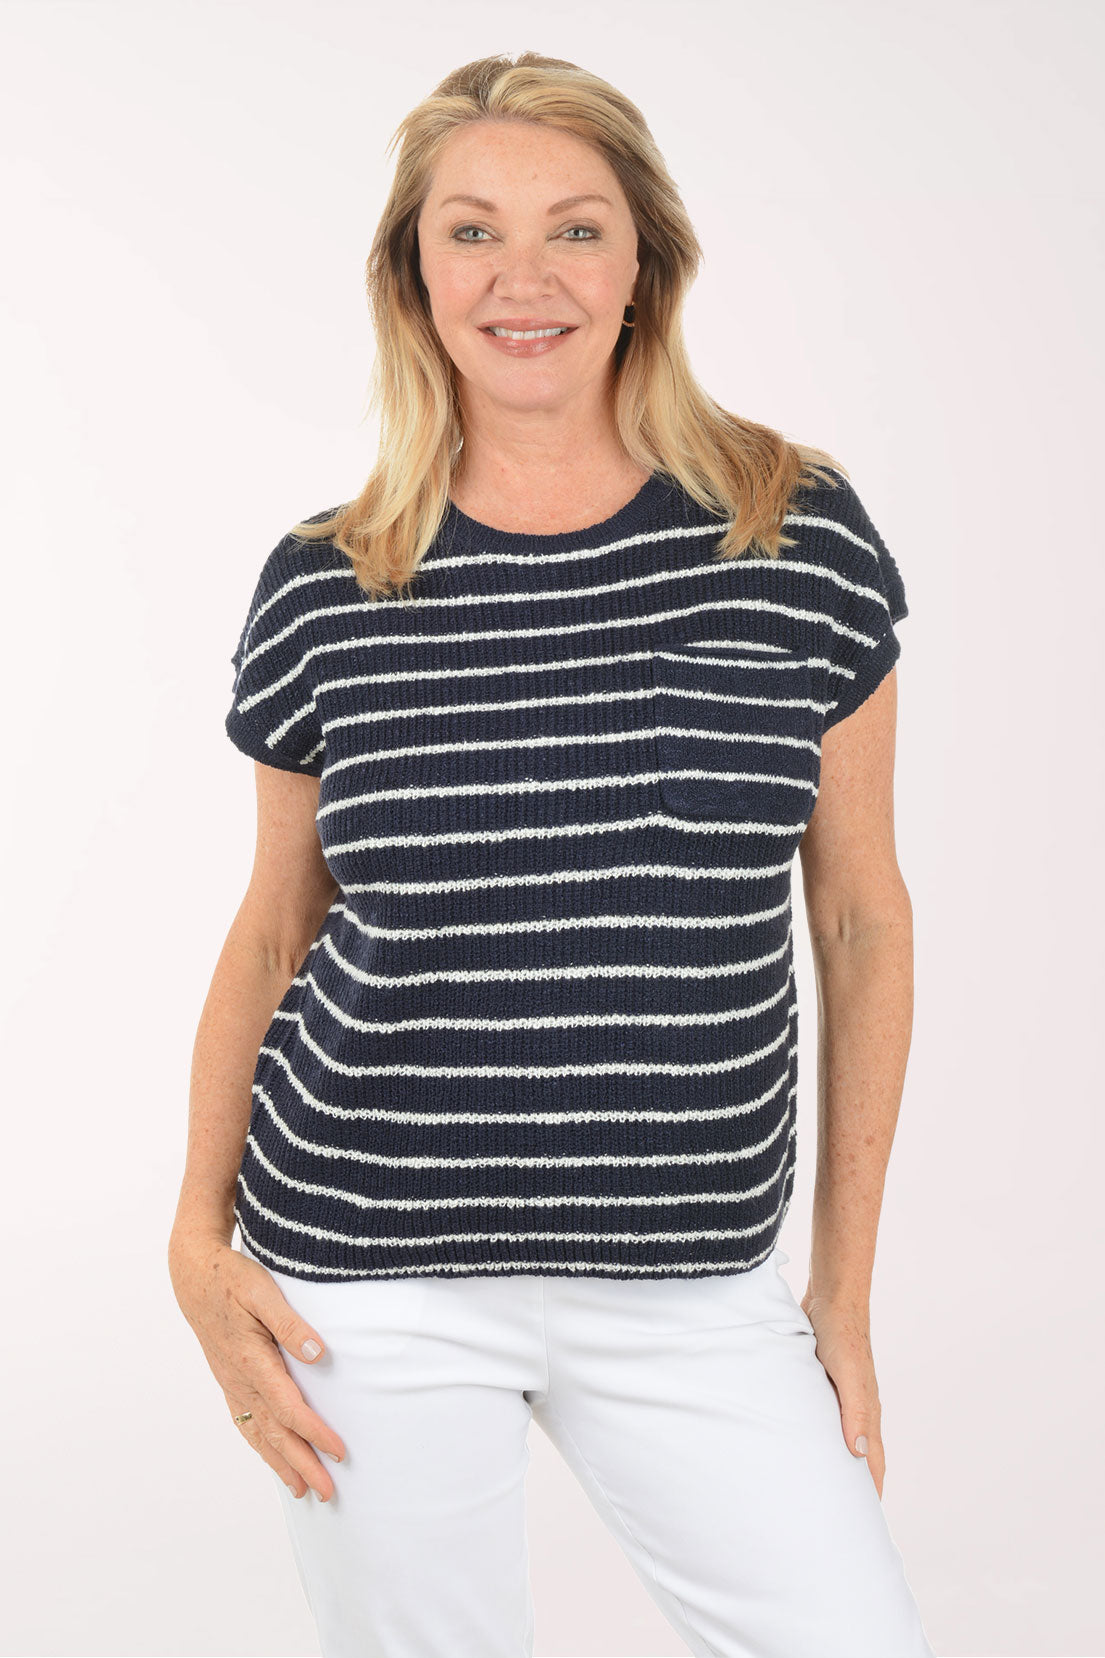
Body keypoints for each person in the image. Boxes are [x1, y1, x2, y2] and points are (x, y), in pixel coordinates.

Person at [169, 50, 936, 1658]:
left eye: (574, 229)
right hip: (367, 1266)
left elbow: (858, 918)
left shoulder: (794, 536)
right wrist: (195, 1231)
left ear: (645, 260)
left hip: (692, 1274)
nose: (523, 277)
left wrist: (841, 1296)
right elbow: (270, 935)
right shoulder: (326, 581)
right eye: (471, 232)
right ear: (411, 275)